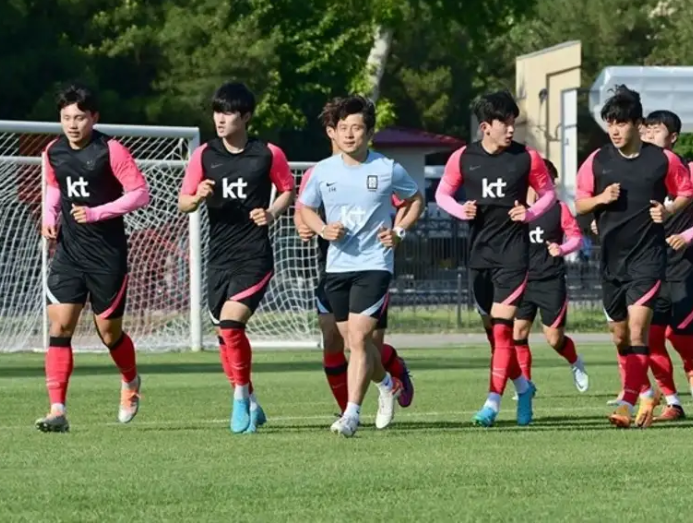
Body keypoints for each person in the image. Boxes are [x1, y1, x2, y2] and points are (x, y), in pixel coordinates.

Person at [299, 95, 424, 437]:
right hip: (337, 267)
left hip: (374, 264)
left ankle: (352, 414)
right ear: (332, 132)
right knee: (352, 342)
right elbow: (305, 207)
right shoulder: (322, 172)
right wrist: (323, 229)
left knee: (359, 337)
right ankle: (387, 383)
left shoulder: (387, 168)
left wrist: (398, 231)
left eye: (357, 128)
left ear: (369, 133)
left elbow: (415, 200)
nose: (350, 134)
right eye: (344, 128)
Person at [178, 82, 295, 434]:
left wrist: (271, 213)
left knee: (231, 324)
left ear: (245, 116)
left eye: (227, 112)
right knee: (224, 334)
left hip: (254, 255)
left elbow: (287, 189)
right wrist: (197, 196)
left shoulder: (268, 153)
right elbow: (183, 201)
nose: (220, 118)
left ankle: (240, 398)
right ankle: (252, 402)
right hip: (219, 258)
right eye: (217, 111)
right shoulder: (204, 155)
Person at [435, 90, 557, 427]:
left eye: (513, 123)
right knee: (494, 333)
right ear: (486, 126)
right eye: (504, 123)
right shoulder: (462, 157)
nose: (510, 129)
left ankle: (491, 403)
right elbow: (442, 194)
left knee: (504, 332)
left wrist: (530, 211)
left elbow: (549, 195)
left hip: (514, 255)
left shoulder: (527, 158)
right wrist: (461, 210)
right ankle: (524, 386)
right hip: (480, 254)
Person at [575, 86, 693, 427]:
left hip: (648, 257)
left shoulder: (662, 160)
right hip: (612, 260)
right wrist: (600, 200)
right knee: (621, 336)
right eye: (610, 122)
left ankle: (628, 402)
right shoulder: (597, 160)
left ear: (638, 125)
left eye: (621, 123)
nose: (614, 130)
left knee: (640, 332)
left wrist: (668, 211)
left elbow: (687, 192)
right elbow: (579, 203)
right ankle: (645, 392)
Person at [36, 84, 151, 432]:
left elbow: (140, 194)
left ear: (94, 117)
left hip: (107, 256)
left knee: (108, 332)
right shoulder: (53, 151)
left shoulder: (111, 150)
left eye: (80, 118)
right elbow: (55, 186)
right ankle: (57, 410)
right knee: (60, 327)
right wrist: (49, 215)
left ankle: (130, 381)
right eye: (66, 117)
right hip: (70, 253)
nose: (72, 124)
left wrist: (98, 212)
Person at [632, 111, 693, 425]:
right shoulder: (638, 172)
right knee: (652, 339)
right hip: (651, 265)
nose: (647, 135)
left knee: (679, 337)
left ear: (672, 138)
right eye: (645, 130)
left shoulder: (691, 170)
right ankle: (673, 402)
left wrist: (687, 236)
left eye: (656, 130)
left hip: (687, 264)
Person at [513, 158, 588, 393]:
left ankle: (576, 362)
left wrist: (562, 249)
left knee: (554, 339)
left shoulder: (558, 209)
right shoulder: (517, 210)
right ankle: (525, 385)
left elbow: (576, 237)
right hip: (522, 280)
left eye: (548, 180)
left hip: (550, 280)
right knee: (518, 333)